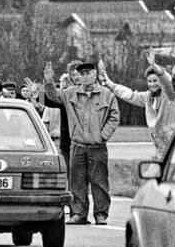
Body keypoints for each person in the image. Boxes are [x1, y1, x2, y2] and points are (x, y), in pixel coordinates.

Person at [42, 61, 119, 225]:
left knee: (99, 180)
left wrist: (102, 135)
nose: (85, 77)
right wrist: (48, 81)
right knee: (77, 181)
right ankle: (79, 213)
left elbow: (114, 117)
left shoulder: (106, 94)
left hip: (98, 146)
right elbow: (53, 96)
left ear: (95, 75)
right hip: (77, 145)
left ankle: (101, 213)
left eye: (88, 73)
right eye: (82, 74)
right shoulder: (70, 93)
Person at [99, 52, 175, 159]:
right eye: (149, 81)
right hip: (161, 145)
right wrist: (108, 82)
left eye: (155, 81)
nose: (152, 84)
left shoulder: (170, 95)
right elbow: (128, 94)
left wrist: (154, 65)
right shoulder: (147, 97)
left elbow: (167, 83)